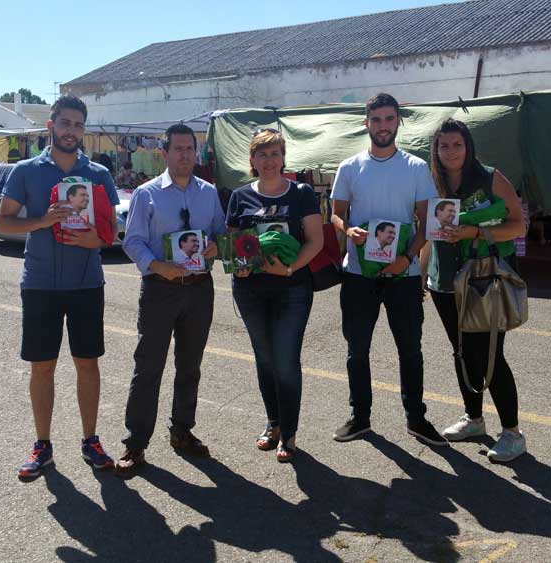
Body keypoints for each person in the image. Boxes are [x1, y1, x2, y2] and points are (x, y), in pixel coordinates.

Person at [0, 95, 120, 480]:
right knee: (43, 366)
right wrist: (42, 220)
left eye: (78, 125)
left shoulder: (98, 173)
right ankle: (42, 446)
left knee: (88, 363)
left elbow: (112, 230)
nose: (71, 131)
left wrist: (98, 240)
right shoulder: (26, 171)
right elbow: (3, 222)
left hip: (86, 284)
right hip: (40, 284)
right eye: (65, 123)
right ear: (51, 126)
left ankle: (90, 441)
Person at [330, 92, 447, 447]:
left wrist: (407, 258)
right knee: (357, 350)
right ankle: (360, 417)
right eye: (377, 119)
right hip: (359, 275)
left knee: (410, 350)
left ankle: (416, 418)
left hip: (403, 275)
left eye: (389, 119)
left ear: (398, 122)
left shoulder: (416, 168)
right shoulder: (349, 167)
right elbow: (335, 214)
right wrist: (348, 230)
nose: (383, 126)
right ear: (366, 123)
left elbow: (427, 222)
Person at [117, 124, 225, 477]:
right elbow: (132, 241)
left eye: (189, 148)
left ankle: (182, 431)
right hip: (159, 290)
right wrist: (158, 266)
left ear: (196, 152)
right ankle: (135, 443)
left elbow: (221, 232)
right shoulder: (146, 194)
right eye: (177, 149)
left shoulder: (208, 193)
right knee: (148, 367)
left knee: (190, 365)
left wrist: (216, 246)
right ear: (164, 153)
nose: (184, 155)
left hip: (199, 288)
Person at [422, 118, 527, 462]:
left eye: (458, 144)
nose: (451, 152)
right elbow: (427, 233)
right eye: (444, 145)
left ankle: (512, 433)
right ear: (435, 150)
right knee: (462, 352)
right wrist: (421, 275)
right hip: (444, 281)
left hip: (483, 278)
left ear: (468, 146)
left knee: (489, 354)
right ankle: (474, 418)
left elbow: (518, 226)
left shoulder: (490, 177)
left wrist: (475, 233)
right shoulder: (431, 182)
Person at [226, 128, 323, 463]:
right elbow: (233, 243)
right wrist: (239, 266)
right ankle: (274, 423)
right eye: (262, 154)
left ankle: (290, 431)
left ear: (283, 158)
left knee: (285, 359)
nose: (269, 161)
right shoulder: (239, 196)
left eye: (275, 154)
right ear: (252, 160)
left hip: (292, 289)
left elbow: (315, 241)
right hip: (250, 291)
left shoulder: (301, 193)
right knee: (265, 359)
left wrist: (289, 268)